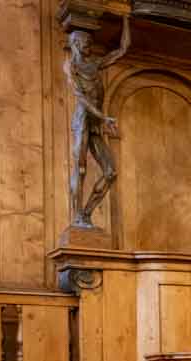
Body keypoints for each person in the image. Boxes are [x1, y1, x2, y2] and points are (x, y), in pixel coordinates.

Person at [65, 17, 131, 228]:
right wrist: (104, 118)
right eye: (86, 42)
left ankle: (86, 213)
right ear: (76, 43)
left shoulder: (93, 64)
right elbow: (81, 98)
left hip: (95, 122)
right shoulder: (71, 66)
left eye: (89, 42)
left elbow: (122, 50)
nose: (89, 46)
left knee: (110, 172)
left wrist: (126, 20)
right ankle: (77, 218)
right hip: (84, 120)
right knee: (80, 168)